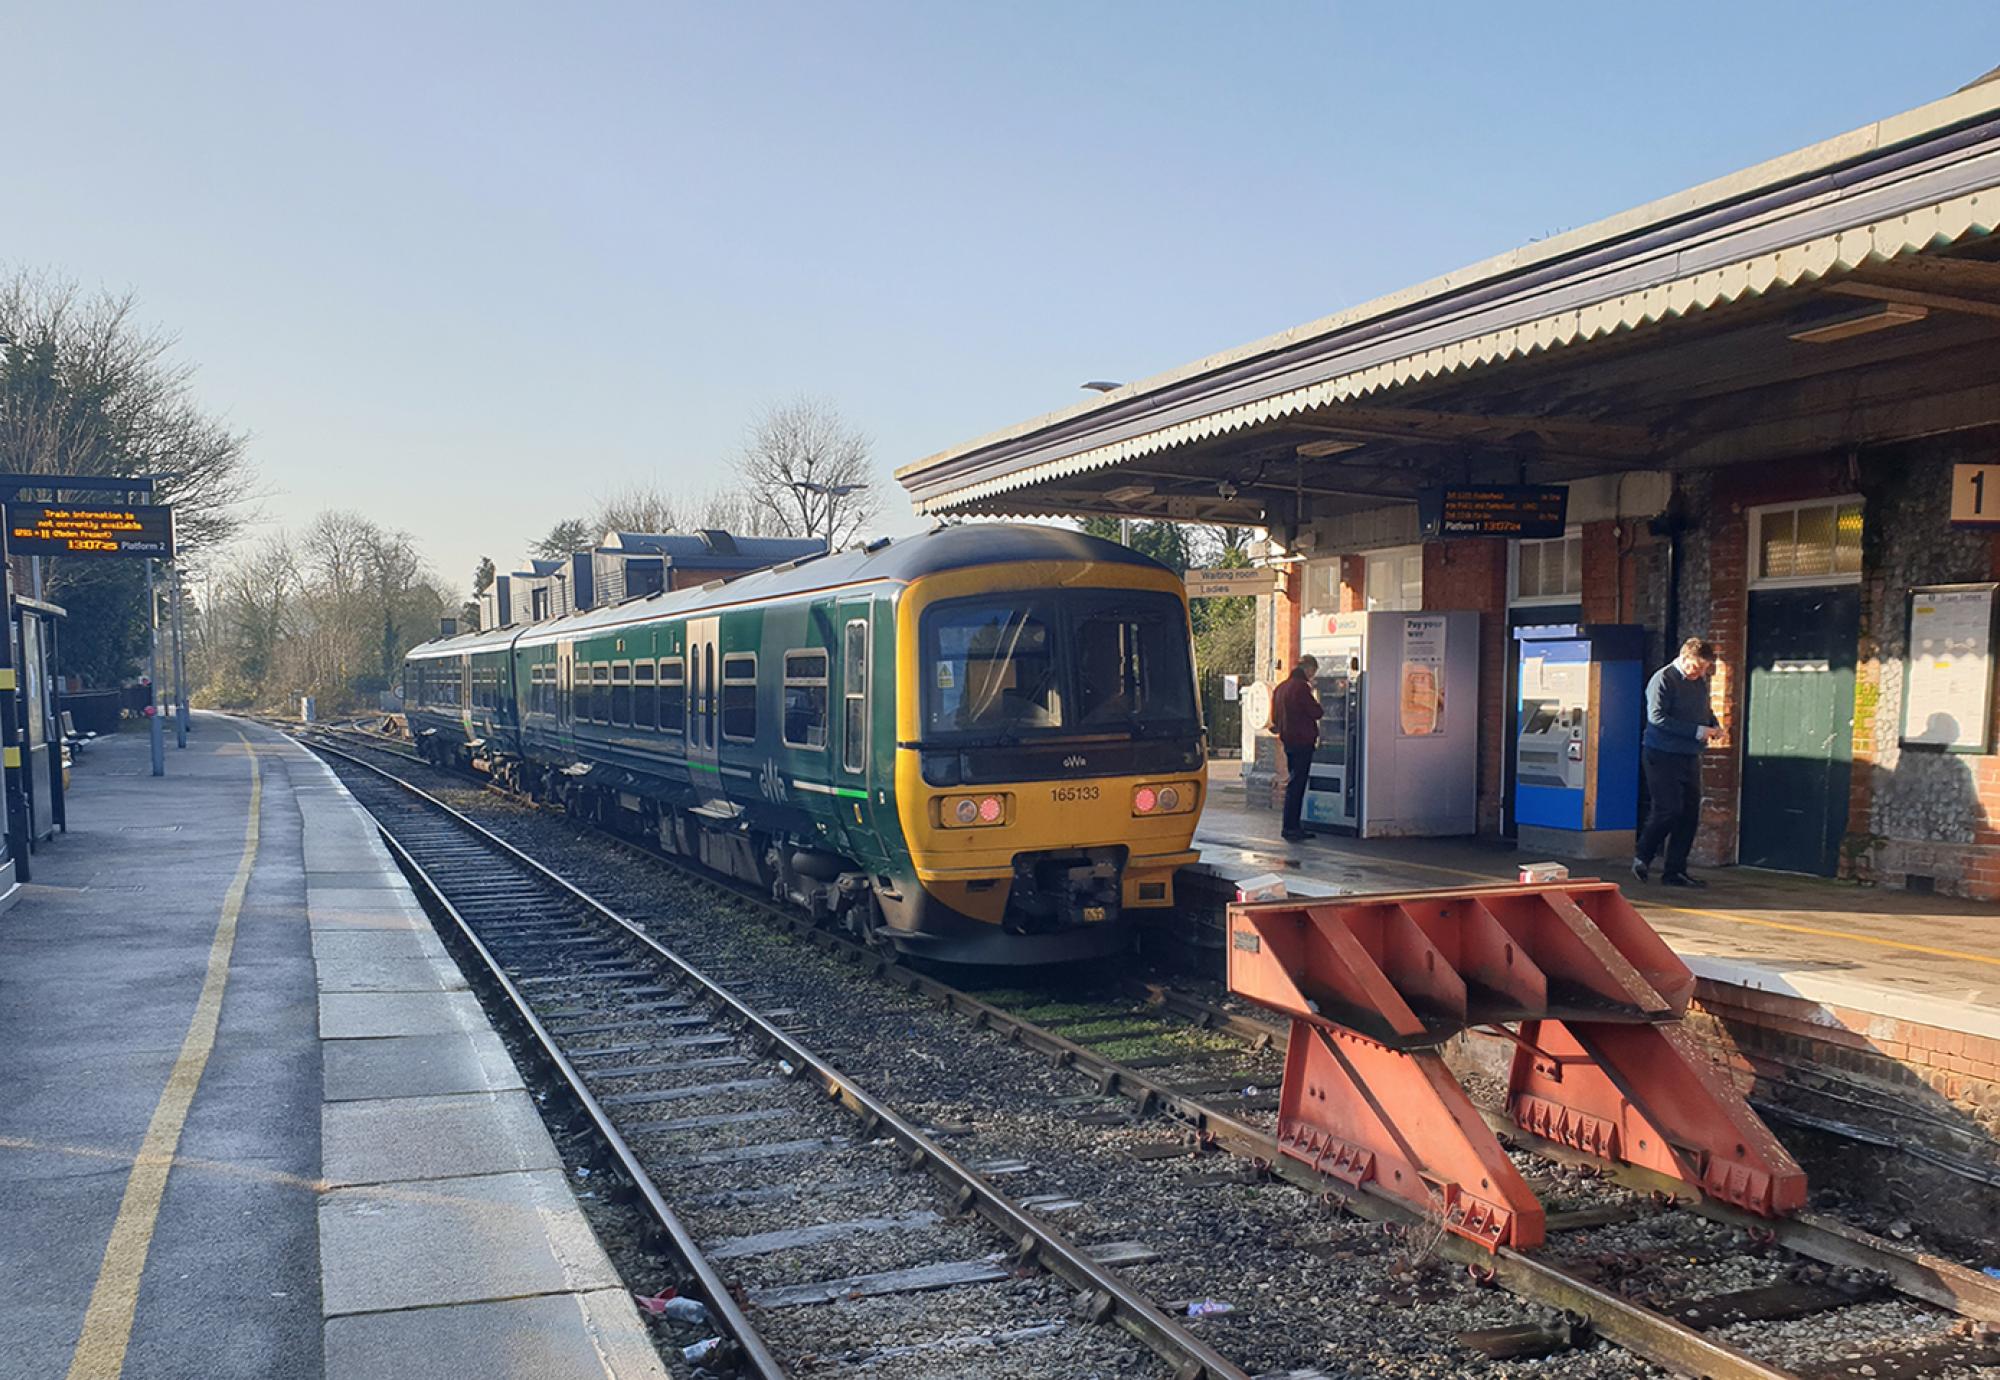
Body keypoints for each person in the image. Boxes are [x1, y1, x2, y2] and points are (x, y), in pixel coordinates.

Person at [1634, 636, 1720, 888]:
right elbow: (1657, 718)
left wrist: (1713, 724)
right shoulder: (1663, 679)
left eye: (1704, 669)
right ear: (1684, 659)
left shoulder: (1699, 682)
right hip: (1660, 753)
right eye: (1696, 667)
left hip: (1688, 754)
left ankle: (1675, 871)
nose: (1699, 673)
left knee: (1690, 814)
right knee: (1668, 808)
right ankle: (1642, 856)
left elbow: (1703, 709)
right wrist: (1697, 731)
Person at [1270, 655, 1323, 843]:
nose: (1312, 675)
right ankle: (1291, 827)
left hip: (1288, 741)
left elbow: (1274, 720)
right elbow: (1317, 712)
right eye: (1313, 672)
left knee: (1293, 782)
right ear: (1309, 669)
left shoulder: (1281, 687)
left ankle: (1290, 825)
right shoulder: (1301, 688)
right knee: (1297, 785)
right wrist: (1315, 695)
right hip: (1303, 740)